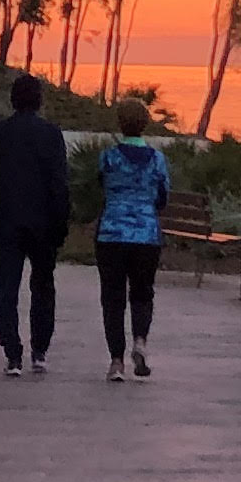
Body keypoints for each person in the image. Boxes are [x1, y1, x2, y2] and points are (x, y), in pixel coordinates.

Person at [0, 74, 74, 376]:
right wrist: (62, 222)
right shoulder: (51, 135)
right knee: (43, 285)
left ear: (13, 99)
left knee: (5, 288)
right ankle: (40, 350)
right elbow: (59, 184)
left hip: (7, 221)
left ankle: (13, 354)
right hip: (43, 224)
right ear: (39, 100)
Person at [91, 97, 171, 382]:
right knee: (142, 293)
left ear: (120, 124)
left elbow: (102, 186)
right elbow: (162, 198)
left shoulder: (109, 157)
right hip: (146, 235)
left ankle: (116, 362)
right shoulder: (158, 160)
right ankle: (140, 341)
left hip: (112, 233)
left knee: (112, 299)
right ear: (145, 124)